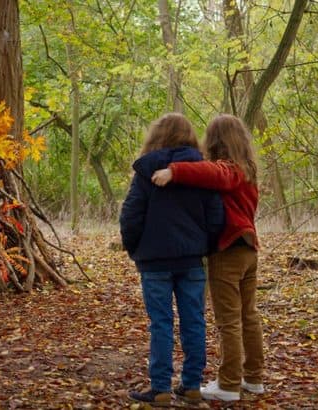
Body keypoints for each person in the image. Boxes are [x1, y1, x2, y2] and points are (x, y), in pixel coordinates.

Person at [151, 114, 264, 402]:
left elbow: (214, 174)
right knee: (248, 316)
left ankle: (228, 385)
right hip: (249, 249)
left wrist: (174, 171)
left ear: (215, 140)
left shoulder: (230, 169)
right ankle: (253, 379)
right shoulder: (248, 168)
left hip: (229, 250)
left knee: (229, 320)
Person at [120, 113, 224, 406]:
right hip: (191, 259)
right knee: (194, 320)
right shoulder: (202, 172)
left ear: (157, 136)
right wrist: (207, 246)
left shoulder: (146, 172)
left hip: (154, 261)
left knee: (161, 323)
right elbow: (216, 216)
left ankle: (161, 388)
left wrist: (135, 249)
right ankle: (191, 385)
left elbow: (130, 216)